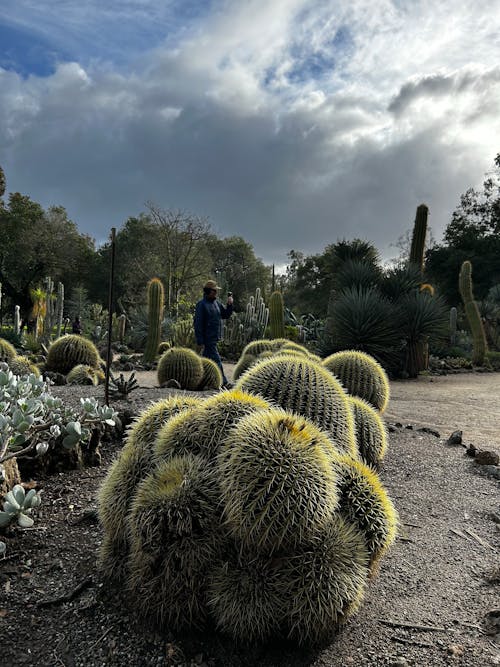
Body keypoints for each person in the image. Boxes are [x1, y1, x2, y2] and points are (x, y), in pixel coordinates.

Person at [194, 280, 233, 387]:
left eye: (216, 291)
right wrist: (200, 340)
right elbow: (198, 324)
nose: (216, 292)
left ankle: (202, 382)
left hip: (214, 338)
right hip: (207, 339)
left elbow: (225, 315)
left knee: (207, 362)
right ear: (208, 291)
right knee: (217, 360)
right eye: (214, 291)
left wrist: (229, 305)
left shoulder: (217, 303)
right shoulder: (201, 305)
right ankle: (224, 383)